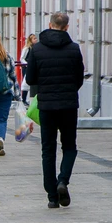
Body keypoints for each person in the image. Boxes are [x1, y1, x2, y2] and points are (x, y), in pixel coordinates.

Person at [25, 12, 84, 209]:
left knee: (48, 149)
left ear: (50, 25)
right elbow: (79, 80)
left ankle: (51, 196)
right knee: (69, 146)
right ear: (66, 27)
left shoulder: (37, 49)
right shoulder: (74, 49)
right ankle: (63, 181)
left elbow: (30, 79)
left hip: (47, 107)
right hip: (68, 106)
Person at [19, 33, 37, 102]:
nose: (36, 40)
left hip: (32, 67)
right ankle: (23, 99)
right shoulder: (26, 48)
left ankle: (29, 99)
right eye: (34, 39)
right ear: (30, 40)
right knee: (25, 83)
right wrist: (27, 63)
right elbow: (22, 58)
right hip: (26, 67)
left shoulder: (35, 48)